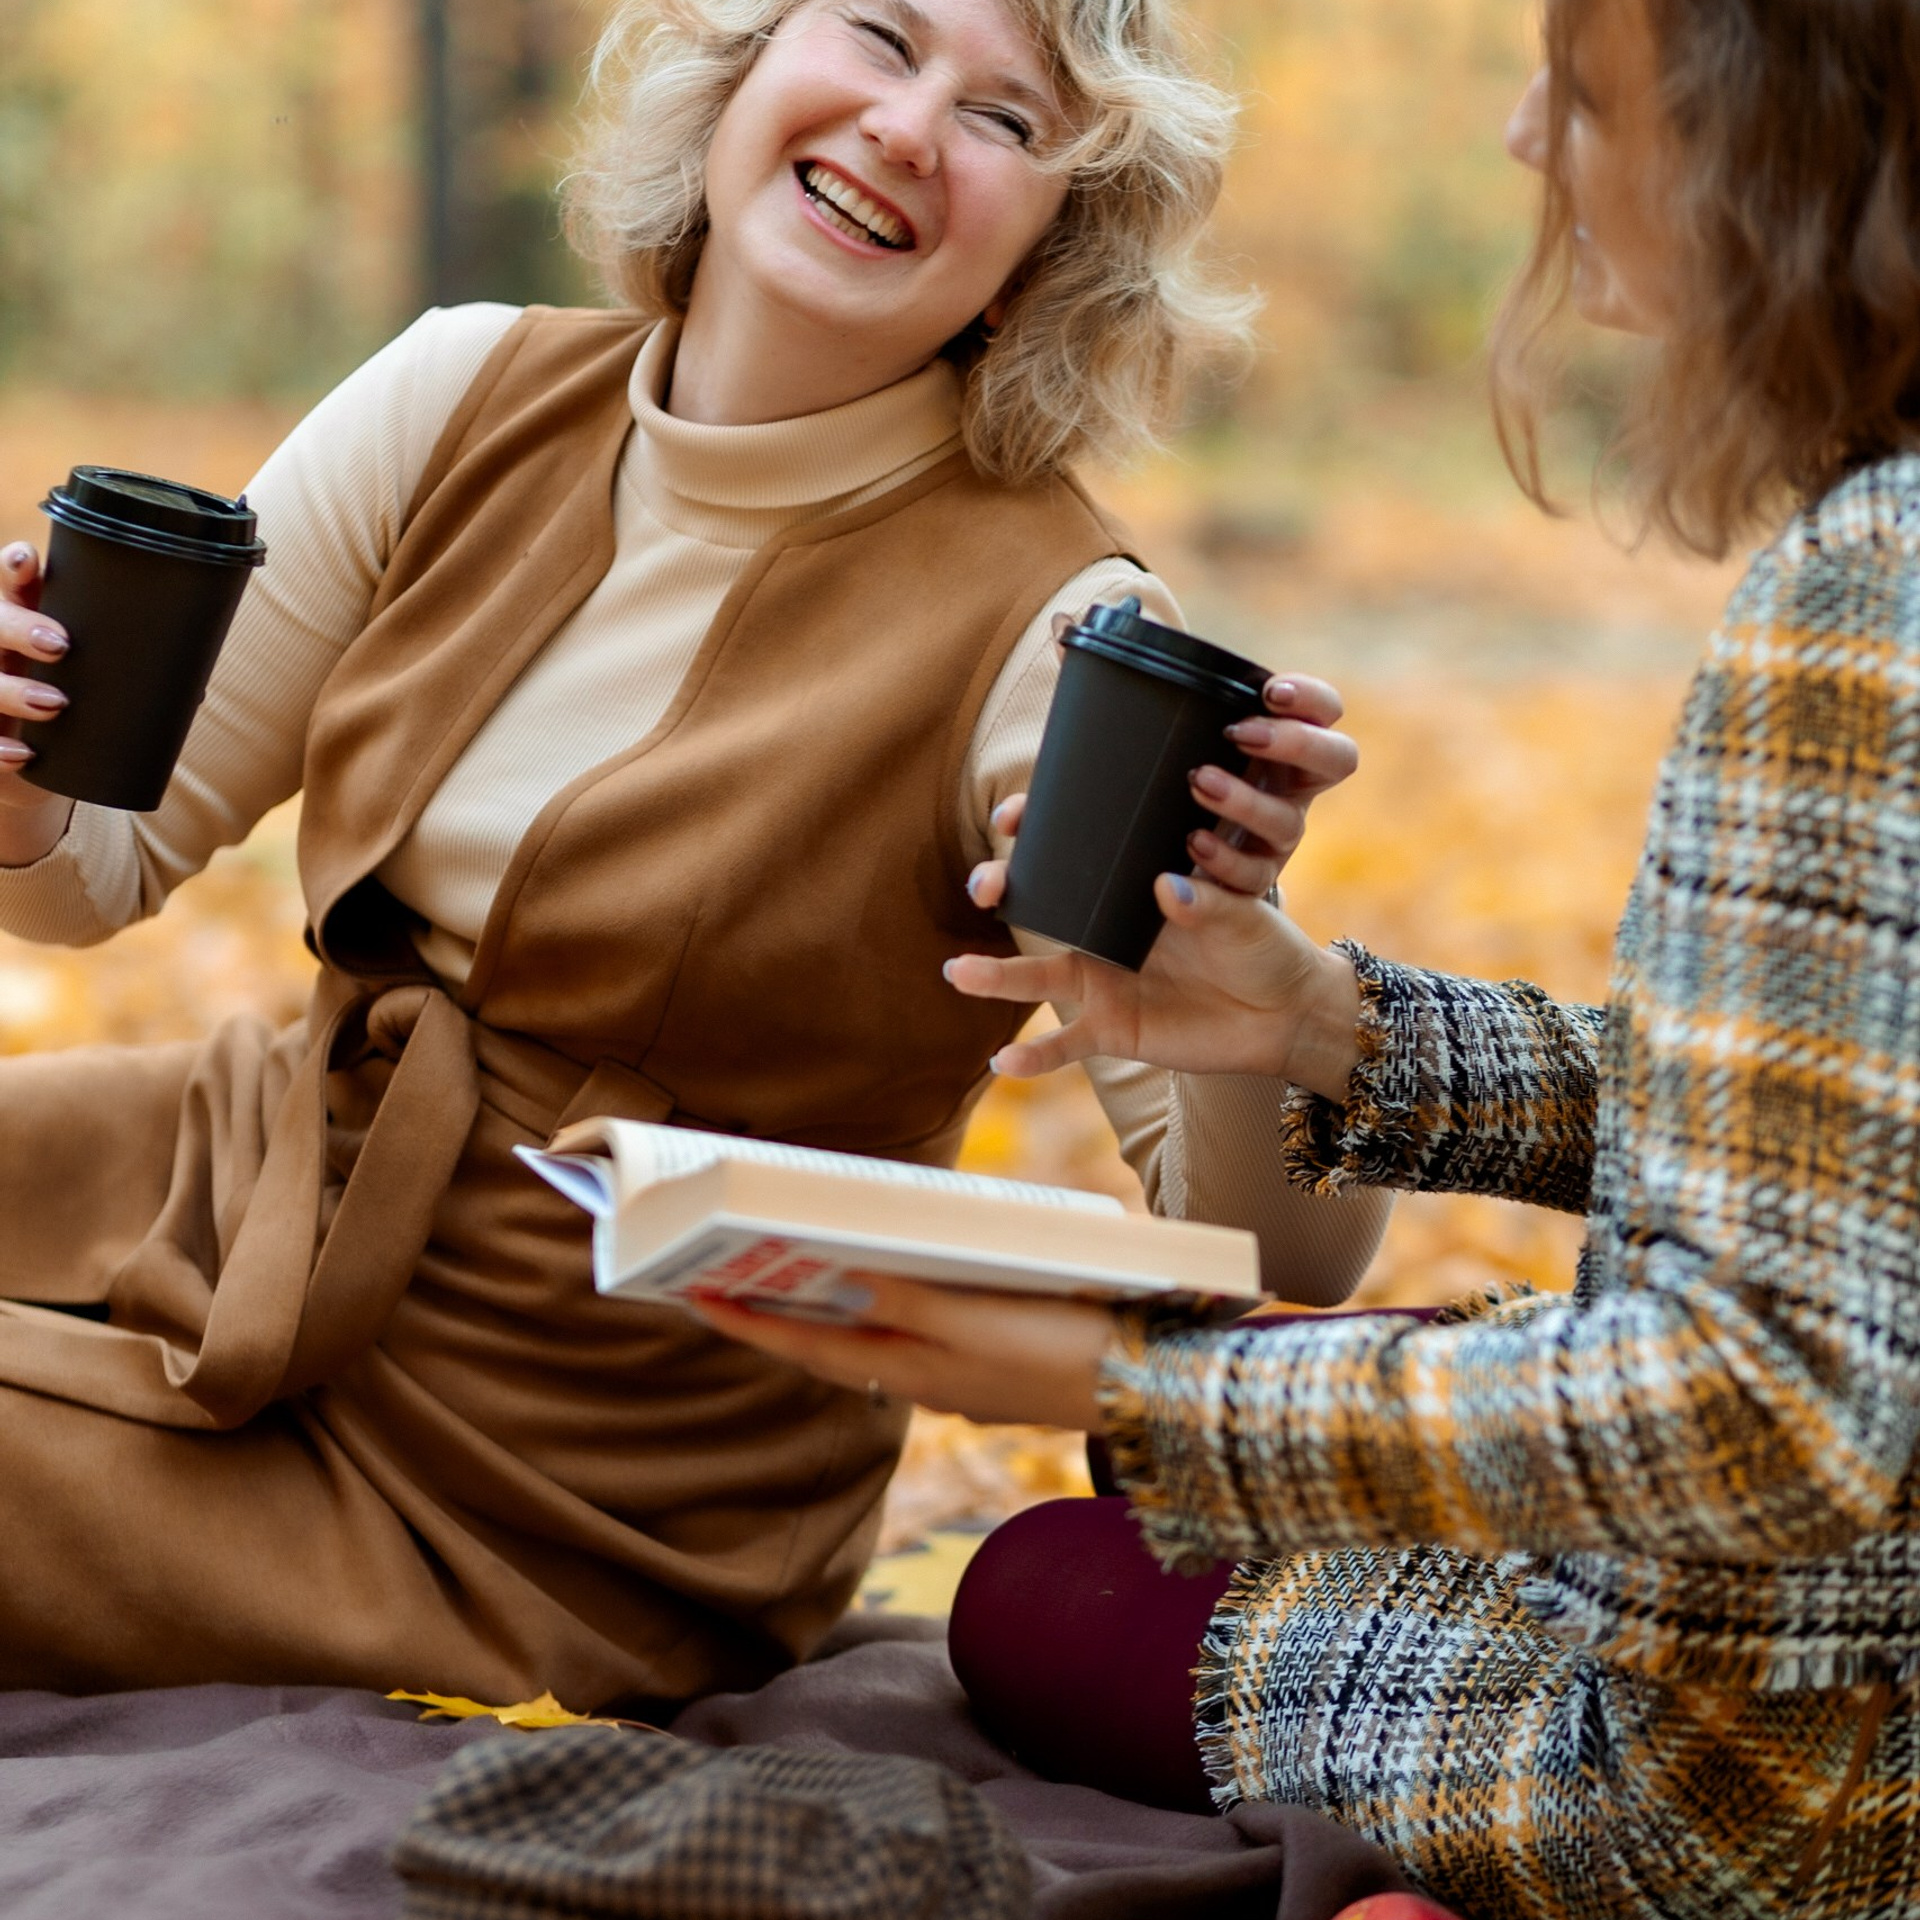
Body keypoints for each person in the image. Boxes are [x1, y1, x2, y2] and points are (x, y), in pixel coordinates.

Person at [0, 0, 1390, 1704]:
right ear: (741, 67)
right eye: (878, 36)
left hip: (574, 1477)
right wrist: (21, 781)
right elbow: (97, 873)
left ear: (1048, 252)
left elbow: (1272, 1264)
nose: (906, 128)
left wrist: (1248, 968)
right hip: (256, 1166)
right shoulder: (460, 393)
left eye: (1007, 121)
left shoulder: (1061, 636)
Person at [687, 0, 1920, 1910]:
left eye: (1589, 96)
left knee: (1040, 1583)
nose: (1529, 138)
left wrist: (1133, 1390)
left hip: (1771, 1779)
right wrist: (1332, 1021)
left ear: (1769, 147)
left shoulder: (1868, 597)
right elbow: (1842, 1150)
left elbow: (1773, 1413)